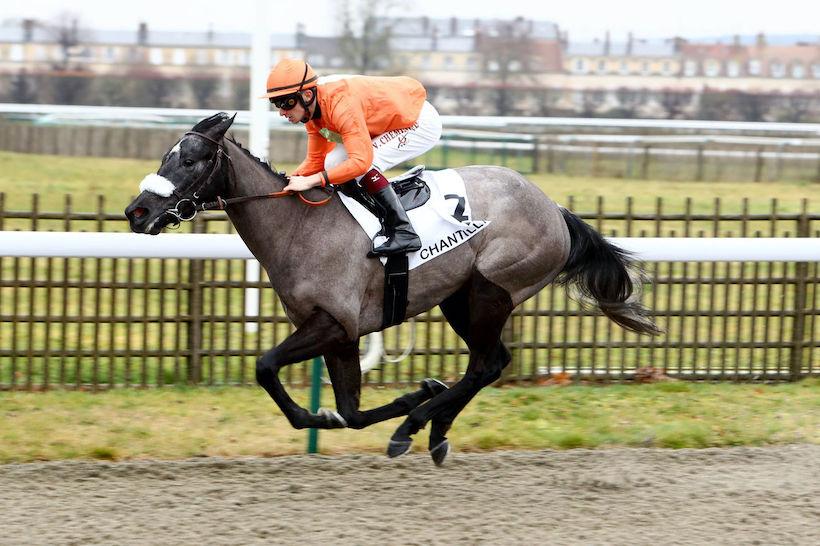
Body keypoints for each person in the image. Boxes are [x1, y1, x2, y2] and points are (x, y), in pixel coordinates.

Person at [262, 58, 443, 257]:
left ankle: (403, 231)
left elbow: (360, 162)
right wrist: (287, 182)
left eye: (285, 103)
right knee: (332, 162)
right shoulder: (312, 111)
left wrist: (312, 180)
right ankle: (368, 217)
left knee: (367, 164)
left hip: (417, 120)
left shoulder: (340, 104)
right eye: (276, 104)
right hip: (390, 121)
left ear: (306, 95)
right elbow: (316, 161)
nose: (281, 112)